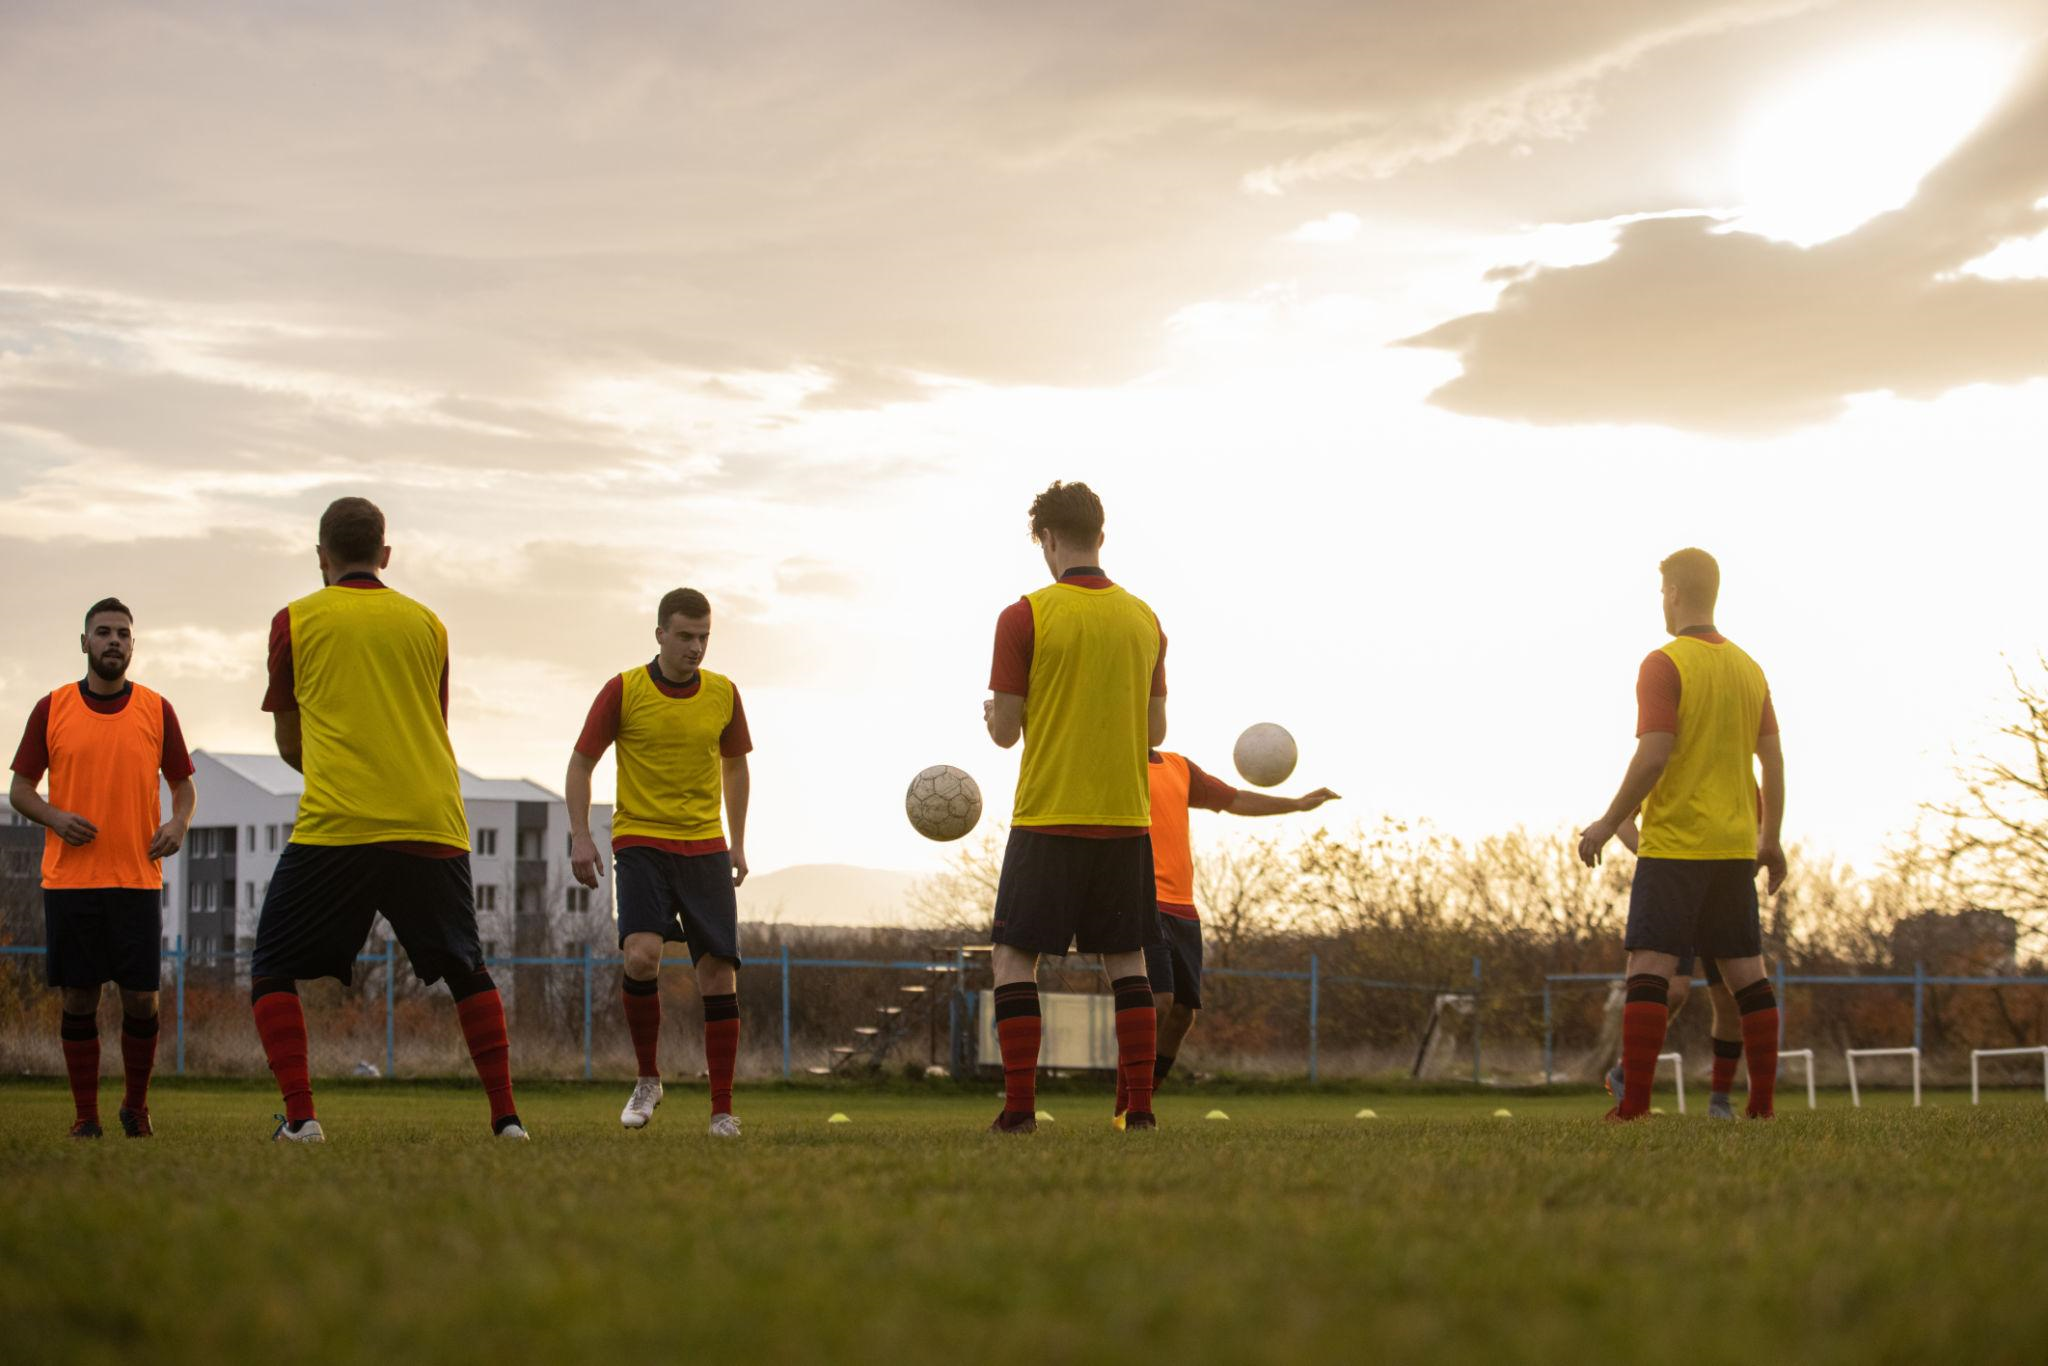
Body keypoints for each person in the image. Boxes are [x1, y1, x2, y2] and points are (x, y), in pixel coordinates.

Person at [249, 497, 525, 1142]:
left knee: (270, 966)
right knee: (466, 969)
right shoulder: (429, 623)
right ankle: (507, 1119)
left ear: (322, 557)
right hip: (432, 817)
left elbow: (291, 743)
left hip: (341, 822)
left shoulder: (294, 620)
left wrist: (346, 773)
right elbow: (434, 723)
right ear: (386, 555)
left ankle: (301, 1119)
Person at [984, 480, 1166, 1133]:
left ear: (1048, 539)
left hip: (1048, 815)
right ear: (1101, 536)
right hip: (1125, 818)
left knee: (1012, 958)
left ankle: (1020, 1112)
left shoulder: (1024, 615)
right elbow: (1156, 734)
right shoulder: (1144, 618)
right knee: (1128, 960)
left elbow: (1006, 731)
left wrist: (997, 714)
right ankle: (1140, 1112)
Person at [1578, 548, 1785, 1122]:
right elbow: (1772, 760)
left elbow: (1654, 753)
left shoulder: (1663, 663)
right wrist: (1771, 838)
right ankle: (1760, 1108)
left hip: (1676, 845)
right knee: (1748, 974)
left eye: (1660, 591)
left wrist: (1606, 819)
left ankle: (1633, 1109)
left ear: (1672, 592)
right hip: (1736, 846)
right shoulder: (1749, 667)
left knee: (1648, 967)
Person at [567, 588, 753, 1137]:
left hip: (705, 848)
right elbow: (581, 764)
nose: (696, 647)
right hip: (642, 843)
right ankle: (648, 1080)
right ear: (660, 635)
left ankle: (722, 1110)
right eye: (686, 636)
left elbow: (736, 768)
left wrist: (737, 841)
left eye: (704, 637)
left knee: (718, 975)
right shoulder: (624, 690)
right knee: (642, 957)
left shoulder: (724, 694)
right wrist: (581, 835)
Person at [9, 598, 196, 1138]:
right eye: (103, 632)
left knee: (142, 999)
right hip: (71, 881)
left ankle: (135, 1108)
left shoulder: (157, 709)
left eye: (123, 634)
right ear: (84, 642)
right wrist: (55, 817)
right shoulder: (53, 707)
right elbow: (21, 790)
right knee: (78, 997)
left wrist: (179, 825)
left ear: (133, 646)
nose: (113, 641)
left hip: (137, 880)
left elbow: (184, 786)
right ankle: (85, 1118)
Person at [1114, 750, 1338, 1124]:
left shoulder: (1179, 767)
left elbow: (1235, 799)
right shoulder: (1119, 764)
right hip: (1140, 899)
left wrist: (1297, 804)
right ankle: (1134, 1109)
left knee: (1183, 1014)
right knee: (1159, 1002)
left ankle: (1135, 1105)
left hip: (1184, 907)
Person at [1600, 817, 1747, 1119]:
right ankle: (1627, 1070)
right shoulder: (1665, 769)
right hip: (1678, 894)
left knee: (1729, 1000)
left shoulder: (1741, 782)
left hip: (1723, 898)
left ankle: (1719, 1100)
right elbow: (1623, 819)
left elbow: (1756, 833)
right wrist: (1656, 855)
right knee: (1675, 991)